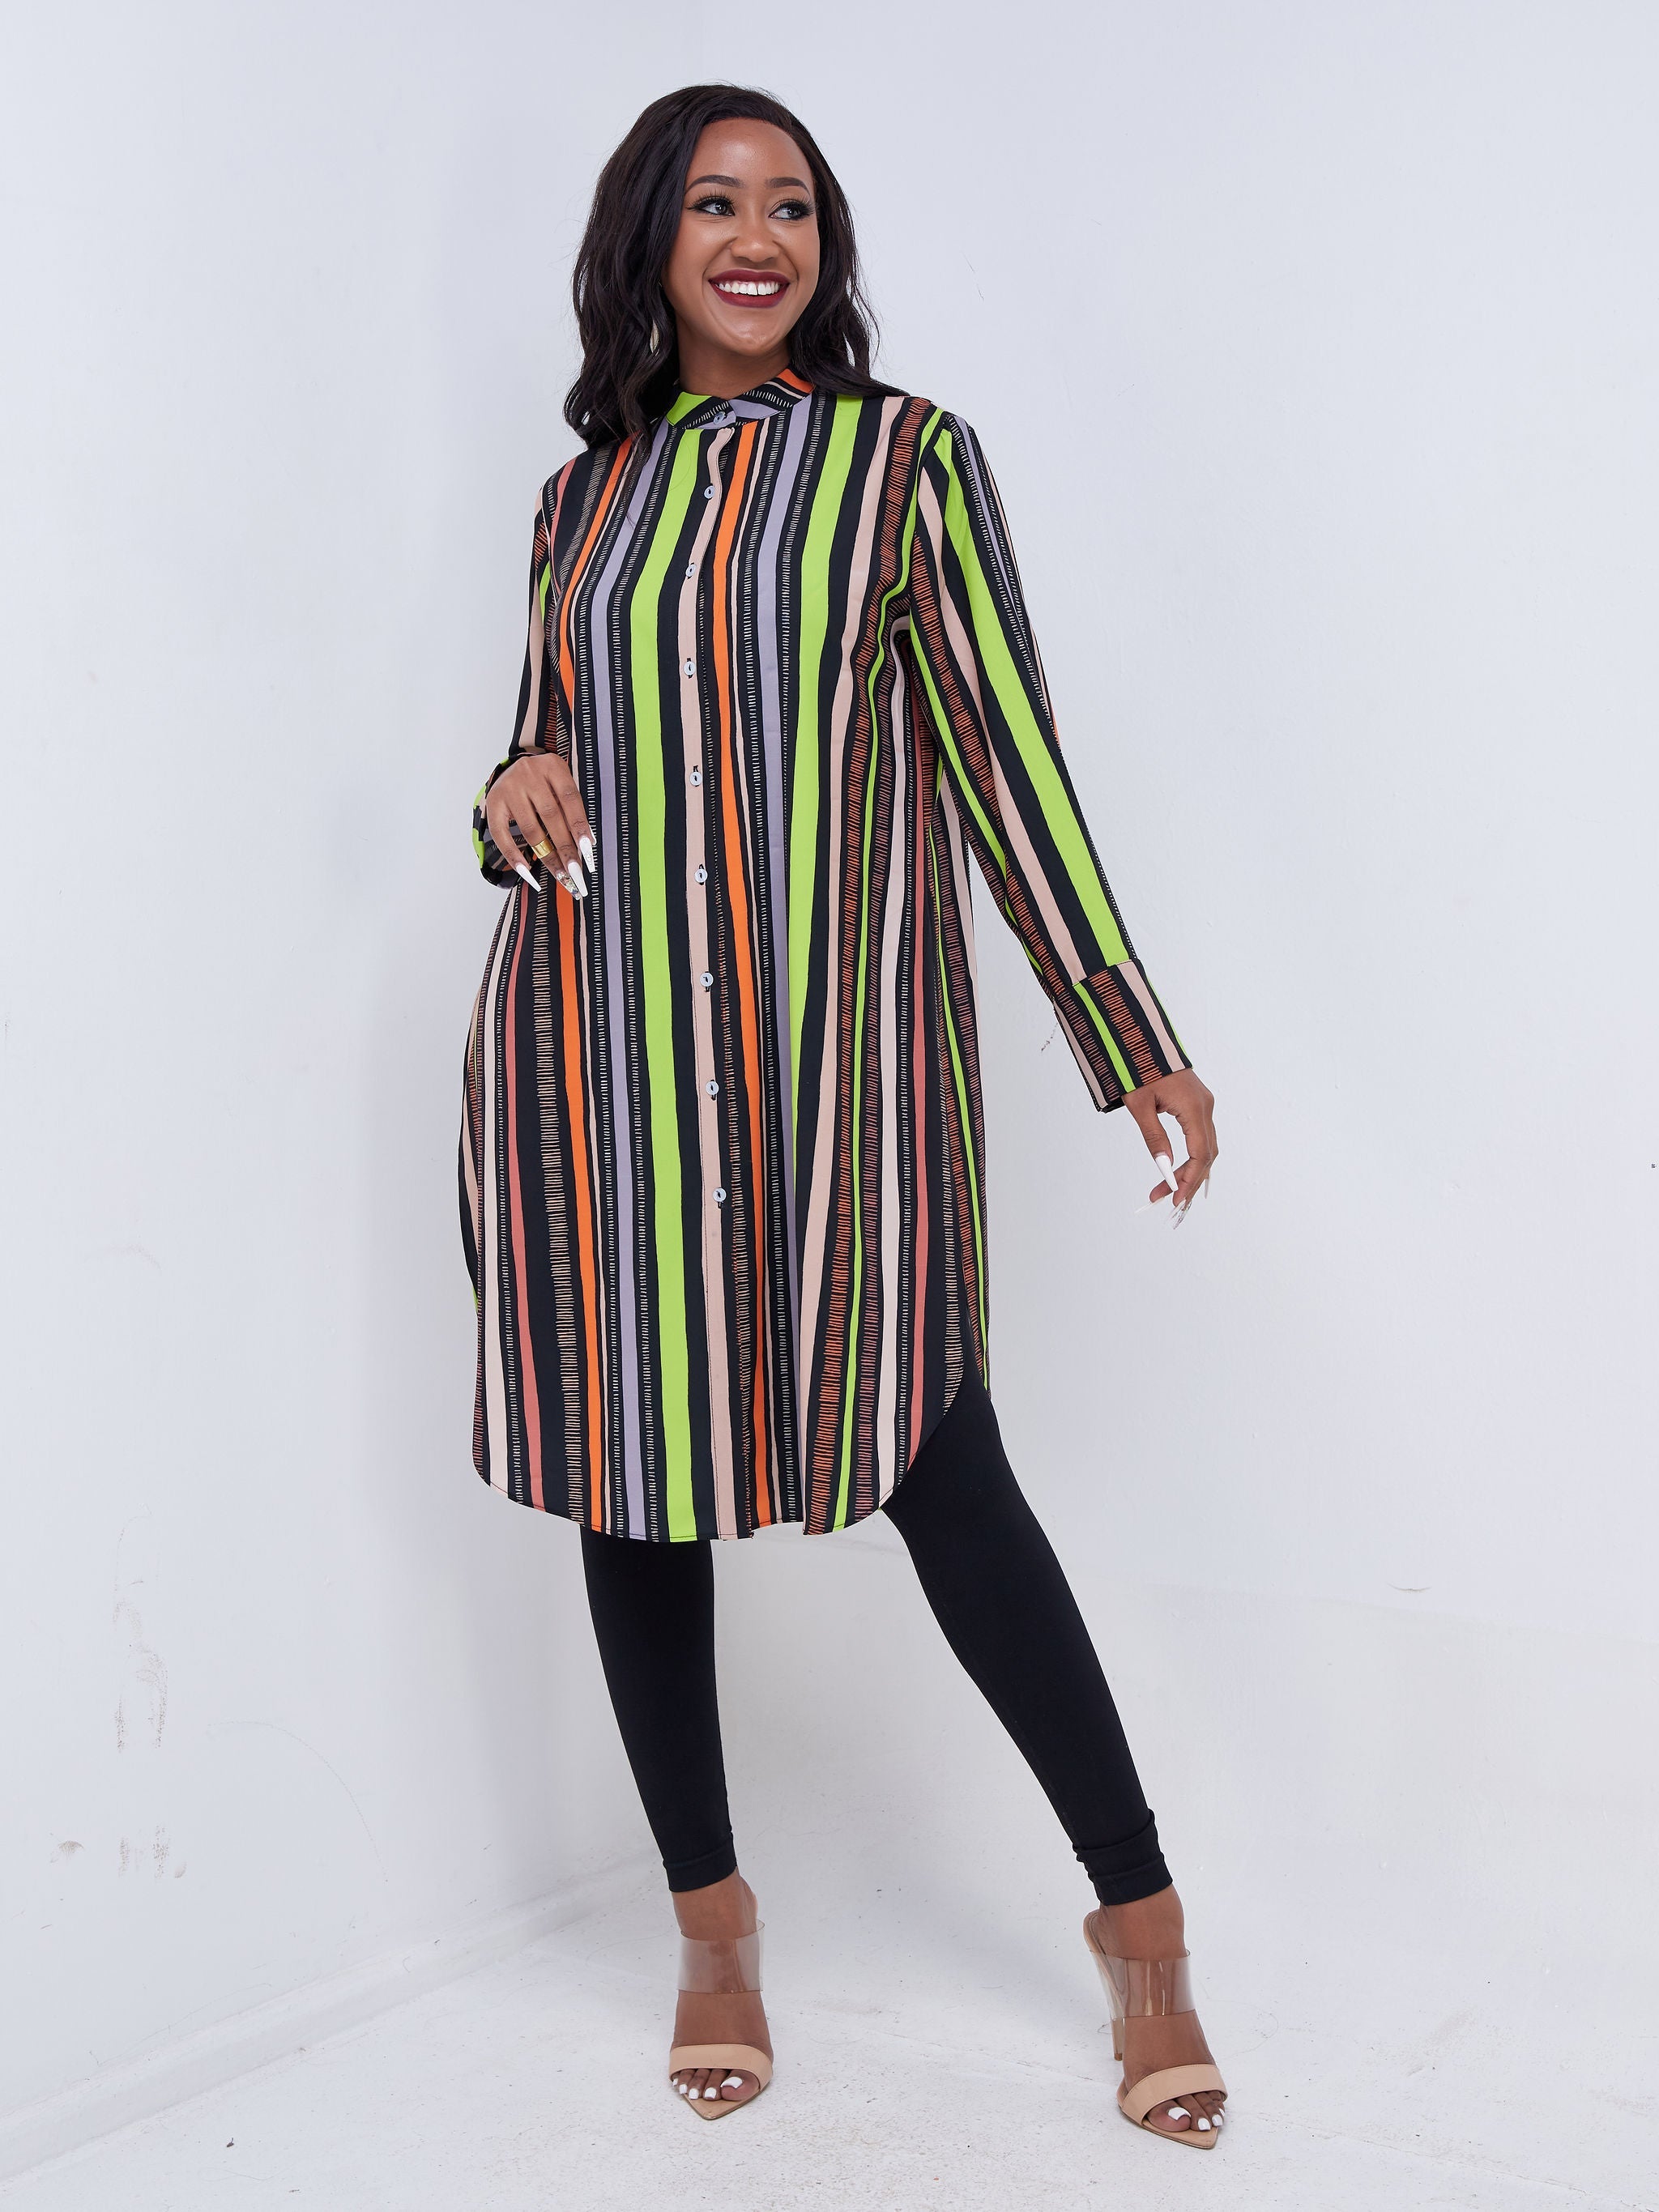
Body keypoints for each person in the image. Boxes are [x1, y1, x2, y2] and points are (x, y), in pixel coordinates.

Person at [461, 83, 1226, 2147]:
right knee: (634, 1495)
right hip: (602, 1080)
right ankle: (710, 1929)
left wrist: (1125, 1027)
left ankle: (1141, 1928)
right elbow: (545, 765)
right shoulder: (578, 499)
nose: (757, 236)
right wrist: (502, 788)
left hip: (838, 1087)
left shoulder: (905, 463)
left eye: (791, 205)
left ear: (824, 246)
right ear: (650, 237)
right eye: (716, 202)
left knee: (946, 1478)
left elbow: (1005, 760)